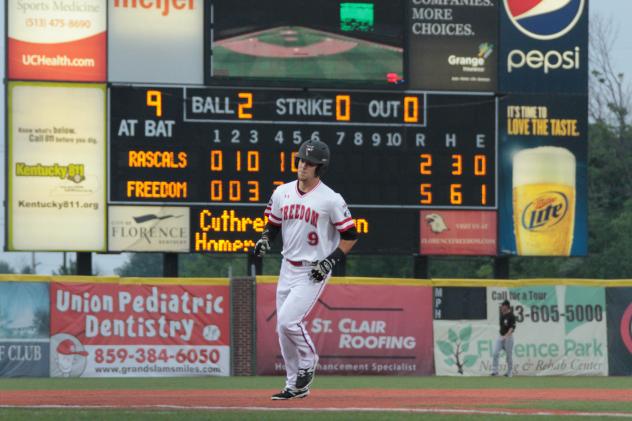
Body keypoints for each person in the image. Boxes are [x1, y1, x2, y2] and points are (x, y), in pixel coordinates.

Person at [254, 139, 358, 400]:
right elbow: (273, 224)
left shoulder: (331, 199)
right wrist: (265, 238)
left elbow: (350, 236)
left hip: (313, 270)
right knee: (282, 329)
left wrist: (330, 261)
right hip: (287, 266)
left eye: (309, 163)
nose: (303, 166)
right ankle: (294, 386)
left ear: (319, 167)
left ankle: (309, 361)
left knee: (289, 322)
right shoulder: (282, 192)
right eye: (301, 160)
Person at [491, 299, 516, 377]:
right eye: (501, 305)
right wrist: (501, 336)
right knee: (495, 353)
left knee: (508, 355)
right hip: (500, 337)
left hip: (508, 338)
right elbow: (502, 327)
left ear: (507, 306)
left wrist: (506, 336)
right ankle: (495, 371)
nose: (501, 307)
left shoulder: (512, 316)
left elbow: (512, 328)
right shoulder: (502, 315)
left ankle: (509, 372)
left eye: (503, 305)